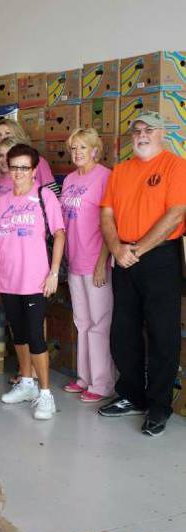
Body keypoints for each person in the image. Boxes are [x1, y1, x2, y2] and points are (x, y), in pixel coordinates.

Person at [99, 111, 186, 436]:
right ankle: (131, 395)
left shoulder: (176, 166)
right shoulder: (120, 170)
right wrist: (118, 248)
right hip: (124, 256)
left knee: (163, 334)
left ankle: (159, 405)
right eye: (137, 130)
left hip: (159, 257)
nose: (142, 135)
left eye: (149, 129)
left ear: (162, 134)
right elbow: (106, 214)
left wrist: (139, 249)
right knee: (123, 330)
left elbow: (176, 213)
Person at [0, 143, 65, 421]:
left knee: (35, 336)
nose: (17, 172)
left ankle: (46, 394)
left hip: (35, 281)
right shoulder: (1, 202)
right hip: (8, 281)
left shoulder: (44, 196)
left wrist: (54, 272)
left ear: (34, 170)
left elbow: (59, 234)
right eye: (13, 166)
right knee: (18, 334)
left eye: (24, 167)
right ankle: (27, 382)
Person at [61, 127, 114, 403]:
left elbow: (110, 225)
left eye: (83, 147)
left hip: (96, 262)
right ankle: (85, 377)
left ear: (95, 150)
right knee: (81, 322)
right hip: (74, 261)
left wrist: (102, 262)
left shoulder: (105, 177)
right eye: (73, 148)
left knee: (99, 324)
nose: (77, 153)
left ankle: (103, 383)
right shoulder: (69, 179)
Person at [0, 119, 58, 193]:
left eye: (7, 133)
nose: (3, 138)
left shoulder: (37, 161)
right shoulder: (0, 164)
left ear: (18, 135)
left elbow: (54, 193)